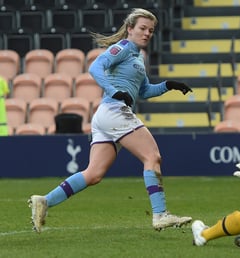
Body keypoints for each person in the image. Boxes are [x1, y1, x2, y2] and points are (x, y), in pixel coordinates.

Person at [28, 8, 193, 233]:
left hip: (106, 115)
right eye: (143, 28)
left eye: (151, 31)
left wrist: (168, 86)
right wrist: (115, 91)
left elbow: (144, 91)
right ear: (130, 29)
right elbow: (95, 67)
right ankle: (160, 214)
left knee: (93, 174)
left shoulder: (137, 56)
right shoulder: (123, 48)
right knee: (152, 157)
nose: (147, 34)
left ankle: (44, 201)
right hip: (115, 111)